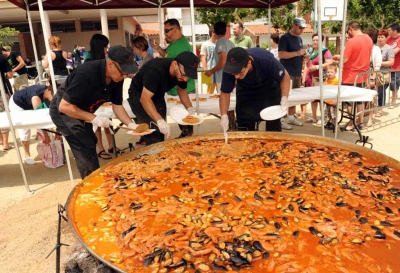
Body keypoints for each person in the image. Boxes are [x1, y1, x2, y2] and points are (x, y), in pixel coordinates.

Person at [49, 45, 138, 179]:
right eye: (123, 72)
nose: (124, 76)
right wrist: (94, 118)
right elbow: (64, 106)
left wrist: (131, 125)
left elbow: (117, 106)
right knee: (85, 145)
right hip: (64, 110)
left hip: (82, 110)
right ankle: (91, 185)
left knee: (91, 140)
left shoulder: (116, 78)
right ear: (111, 64)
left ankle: (93, 180)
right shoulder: (86, 73)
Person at [127, 51, 199, 146]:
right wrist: (159, 120)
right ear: (174, 65)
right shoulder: (155, 70)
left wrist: (190, 110)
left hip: (157, 94)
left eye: (188, 77)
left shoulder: (181, 72)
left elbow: (182, 90)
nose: (185, 79)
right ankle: (152, 154)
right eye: (184, 75)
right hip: (140, 95)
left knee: (161, 133)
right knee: (153, 132)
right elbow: (145, 99)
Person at [219, 47, 290, 132]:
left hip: (269, 90)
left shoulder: (266, 59)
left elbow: (285, 77)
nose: (236, 76)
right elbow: (225, 93)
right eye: (234, 73)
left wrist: (284, 98)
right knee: (244, 126)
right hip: (245, 92)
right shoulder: (229, 69)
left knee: (273, 125)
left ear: (249, 63)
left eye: (240, 72)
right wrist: (224, 115)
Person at [151, 18, 195, 138]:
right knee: (180, 117)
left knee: (185, 119)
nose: (165, 34)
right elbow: (167, 56)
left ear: (175, 29)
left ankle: (187, 136)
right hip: (175, 87)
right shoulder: (174, 43)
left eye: (166, 31)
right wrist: (159, 49)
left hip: (181, 87)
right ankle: (186, 134)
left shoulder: (181, 46)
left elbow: (181, 69)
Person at [333, 21, 373, 131]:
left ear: (351, 29)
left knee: (348, 102)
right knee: (359, 100)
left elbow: (345, 59)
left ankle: (352, 122)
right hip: (362, 75)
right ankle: (360, 122)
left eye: (347, 31)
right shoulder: (368, 39)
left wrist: (337, 58)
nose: (347, 33)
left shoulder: (352, 41)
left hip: (350, 76)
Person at [8, 84, 53, 164]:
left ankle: (49, 151)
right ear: (47, 92)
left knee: (47, 129)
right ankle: (27, 155)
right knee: (24, 128)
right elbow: (39, 120)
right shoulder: (36, 98)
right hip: (17, 104)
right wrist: (46, 136)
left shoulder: (49, 91)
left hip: (30, 101)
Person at [278, 18, 310, 130]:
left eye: (303, 28)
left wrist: (304, 55)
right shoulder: (285, 38)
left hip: (296, 72)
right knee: (285, 96)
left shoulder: (299, 39)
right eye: (300, 27)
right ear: (294, 25)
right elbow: (281, 54)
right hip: (287, 72)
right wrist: (297, 53)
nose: (302, 30)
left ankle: (291, 117)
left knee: (295, 96)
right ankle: (281, 119)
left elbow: (299, 54)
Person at [303, 33, 333, 124]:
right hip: (310, 78)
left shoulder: (325, 51)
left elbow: (329, 63)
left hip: (320, 78)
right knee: (313, 98)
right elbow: (306, 65)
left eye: (317, 40)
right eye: (314, 40)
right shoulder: (311, 52)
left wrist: (317, 67)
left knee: (321, 98)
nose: (315, 42)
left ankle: (323, 117)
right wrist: (304, 78)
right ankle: (314, 116)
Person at [131, 35, 154, 146]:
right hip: (141, 91)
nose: (134, 50)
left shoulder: (148, 59)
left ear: (139, 47)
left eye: (134, 48)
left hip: (145, 92)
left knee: (145, 116)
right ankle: (144, 137)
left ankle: (146, 138)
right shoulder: (145, 58)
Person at [205, 22, 235, 91]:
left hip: (223, 78)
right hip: (231, 76)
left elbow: (223, 61)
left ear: (214, 31)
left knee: (223, 99)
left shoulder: (220, 42)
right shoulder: (230, 43)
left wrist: (211, 71)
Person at [375, 29, 395, 117]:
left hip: (384, 73)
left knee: (381, 91)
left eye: (382, 37)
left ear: (386, 38)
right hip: (374, 73)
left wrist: (378, 63)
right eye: (378, 37)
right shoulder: (375, 47)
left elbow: (391, 62)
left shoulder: (389, 49)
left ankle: (380, 109)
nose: (380, 39)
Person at [0, 53, 14, 151]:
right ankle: (5, 143)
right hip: (1, 90)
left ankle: (1, 140)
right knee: (3, 115)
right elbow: (10, 75)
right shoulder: (2, 57)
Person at [200, 28, 217, 94]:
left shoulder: (219, 43)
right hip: (210, 71)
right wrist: (205, 70)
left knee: (221, 92)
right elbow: (203, 58)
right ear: (213, 33)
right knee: (210, 92)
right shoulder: (205, 44)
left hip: (219, 72)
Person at [387, 23, 400, 107]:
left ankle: (393, 99)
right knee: (394, 82)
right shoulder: (389, 39)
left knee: (394, 82)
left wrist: (386, 52)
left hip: (398, 65)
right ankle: (394, 96)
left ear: (395, 31)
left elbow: (396, 51)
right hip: (390, 65)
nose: (388, 31)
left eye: (389, 30)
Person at [323, 64, 339, 131]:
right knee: (327, 112)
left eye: (331, 72)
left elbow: (338, 91)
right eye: (328, 72)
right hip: (327, 99)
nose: (329, 74)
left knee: (333, 113)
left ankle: (334, 124)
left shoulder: (336, 81)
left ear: (335, 72)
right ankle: (328, 123)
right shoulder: (326, 79)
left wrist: (336, 100)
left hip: (333, 100)